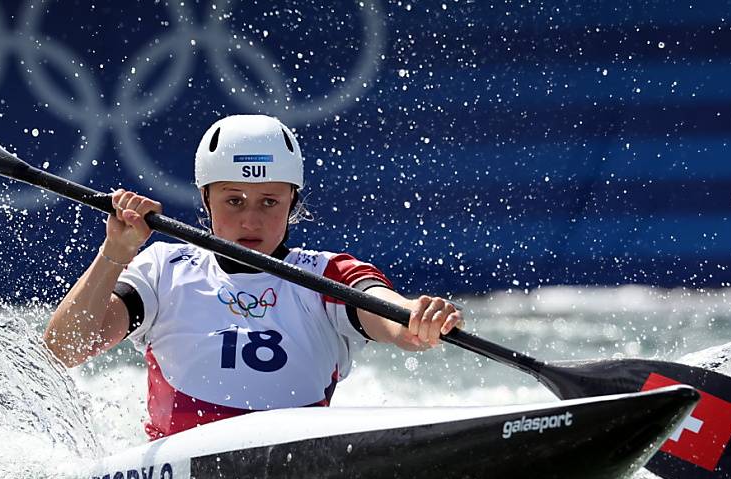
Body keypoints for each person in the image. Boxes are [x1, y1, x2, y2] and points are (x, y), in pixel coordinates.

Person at [44, 115, 464, 439]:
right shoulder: (161, 272)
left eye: (269, 202)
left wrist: (418, 317)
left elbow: (392, 317)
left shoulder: (327, 275)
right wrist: (114, 254)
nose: (251, 219)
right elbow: (64, 349)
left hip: (294, 462)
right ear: (206, 199)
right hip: (176, 470)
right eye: (234, 200)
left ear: (292, 202)